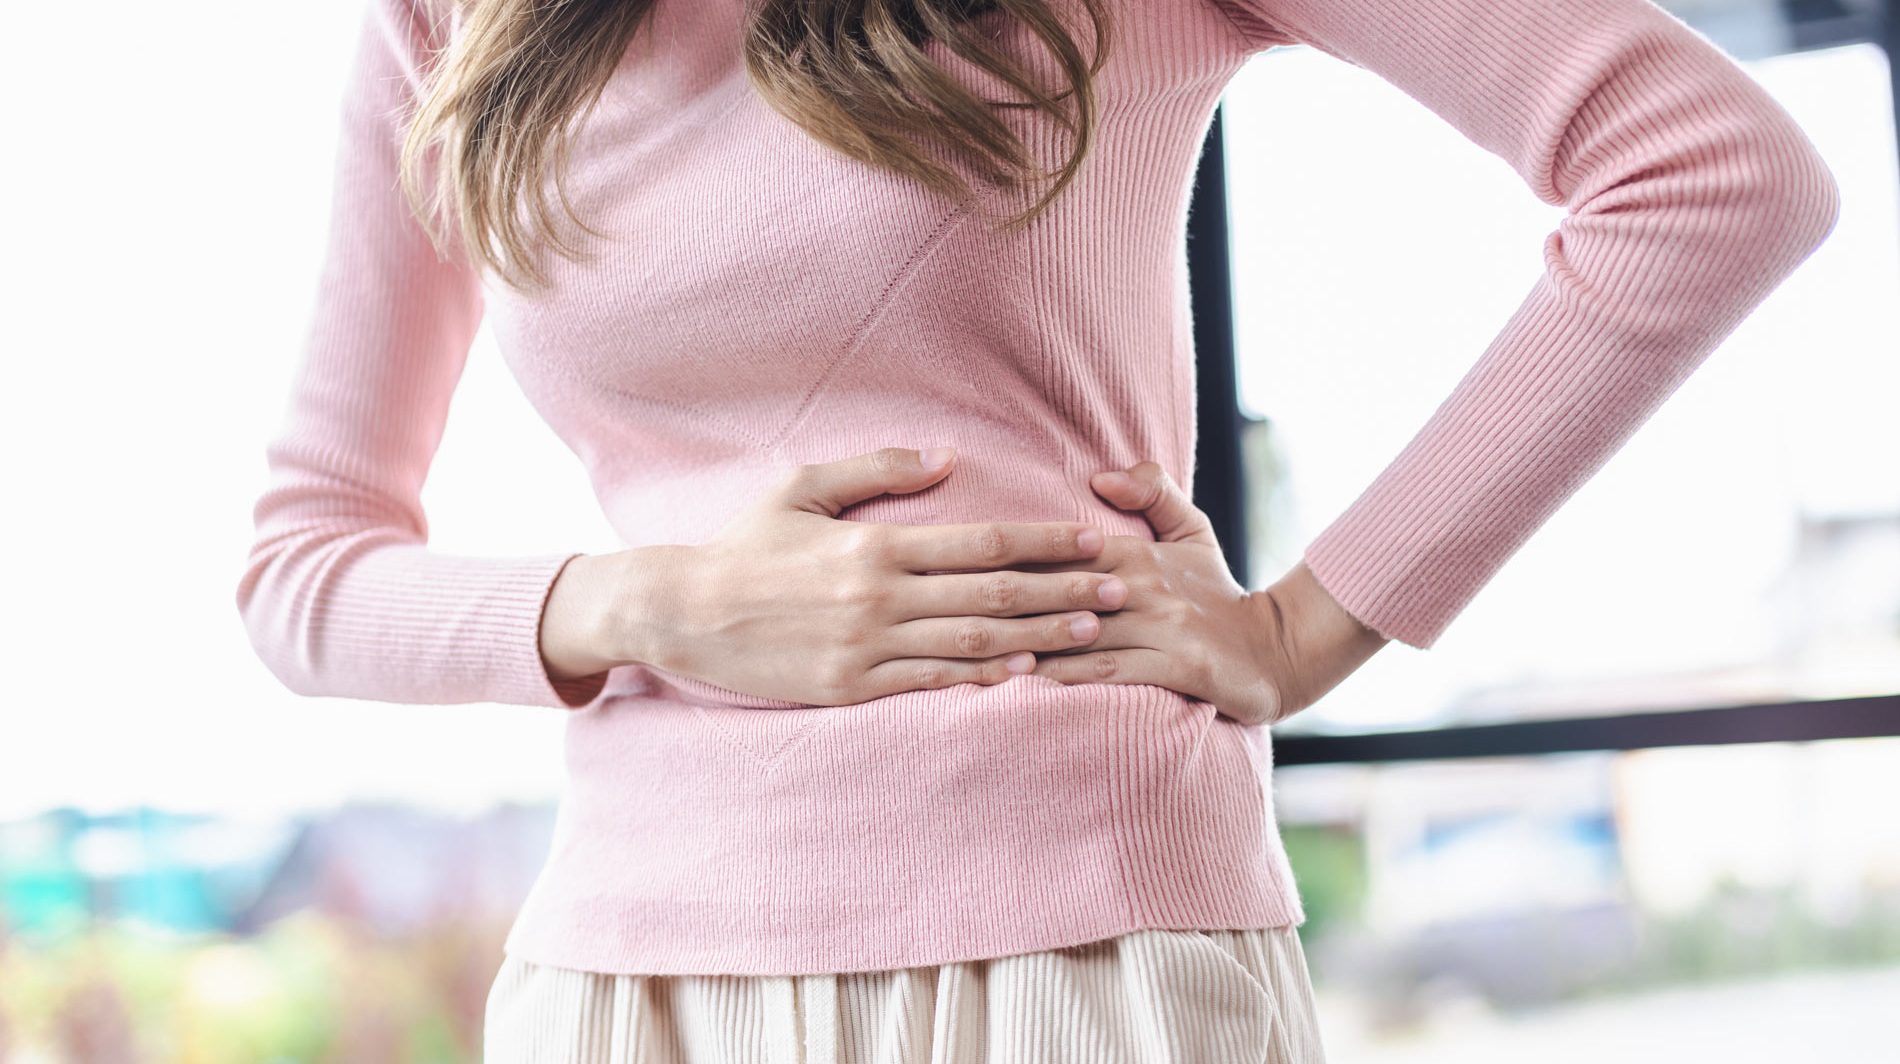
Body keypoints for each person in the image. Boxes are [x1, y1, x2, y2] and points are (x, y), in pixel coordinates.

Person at [235, 0, 1840, 1057]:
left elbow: (1705, 171)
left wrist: (1311, 621)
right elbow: (302, 570)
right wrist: (654, 602)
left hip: (1079, 952)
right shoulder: (456, 23)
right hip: (628, 979)